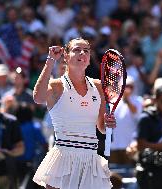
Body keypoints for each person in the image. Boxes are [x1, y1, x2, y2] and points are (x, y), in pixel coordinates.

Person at [32, 38, 116, 189]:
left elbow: (102, 127)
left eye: (86, 51)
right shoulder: (56, 85)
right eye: (77, 49)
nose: (82, 53)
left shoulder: (98, 86)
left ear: (89, 59)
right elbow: (38, 98)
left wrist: (109, 124)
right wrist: (50, 61)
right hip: (63, 157)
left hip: (91, 159)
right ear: (66, 56)